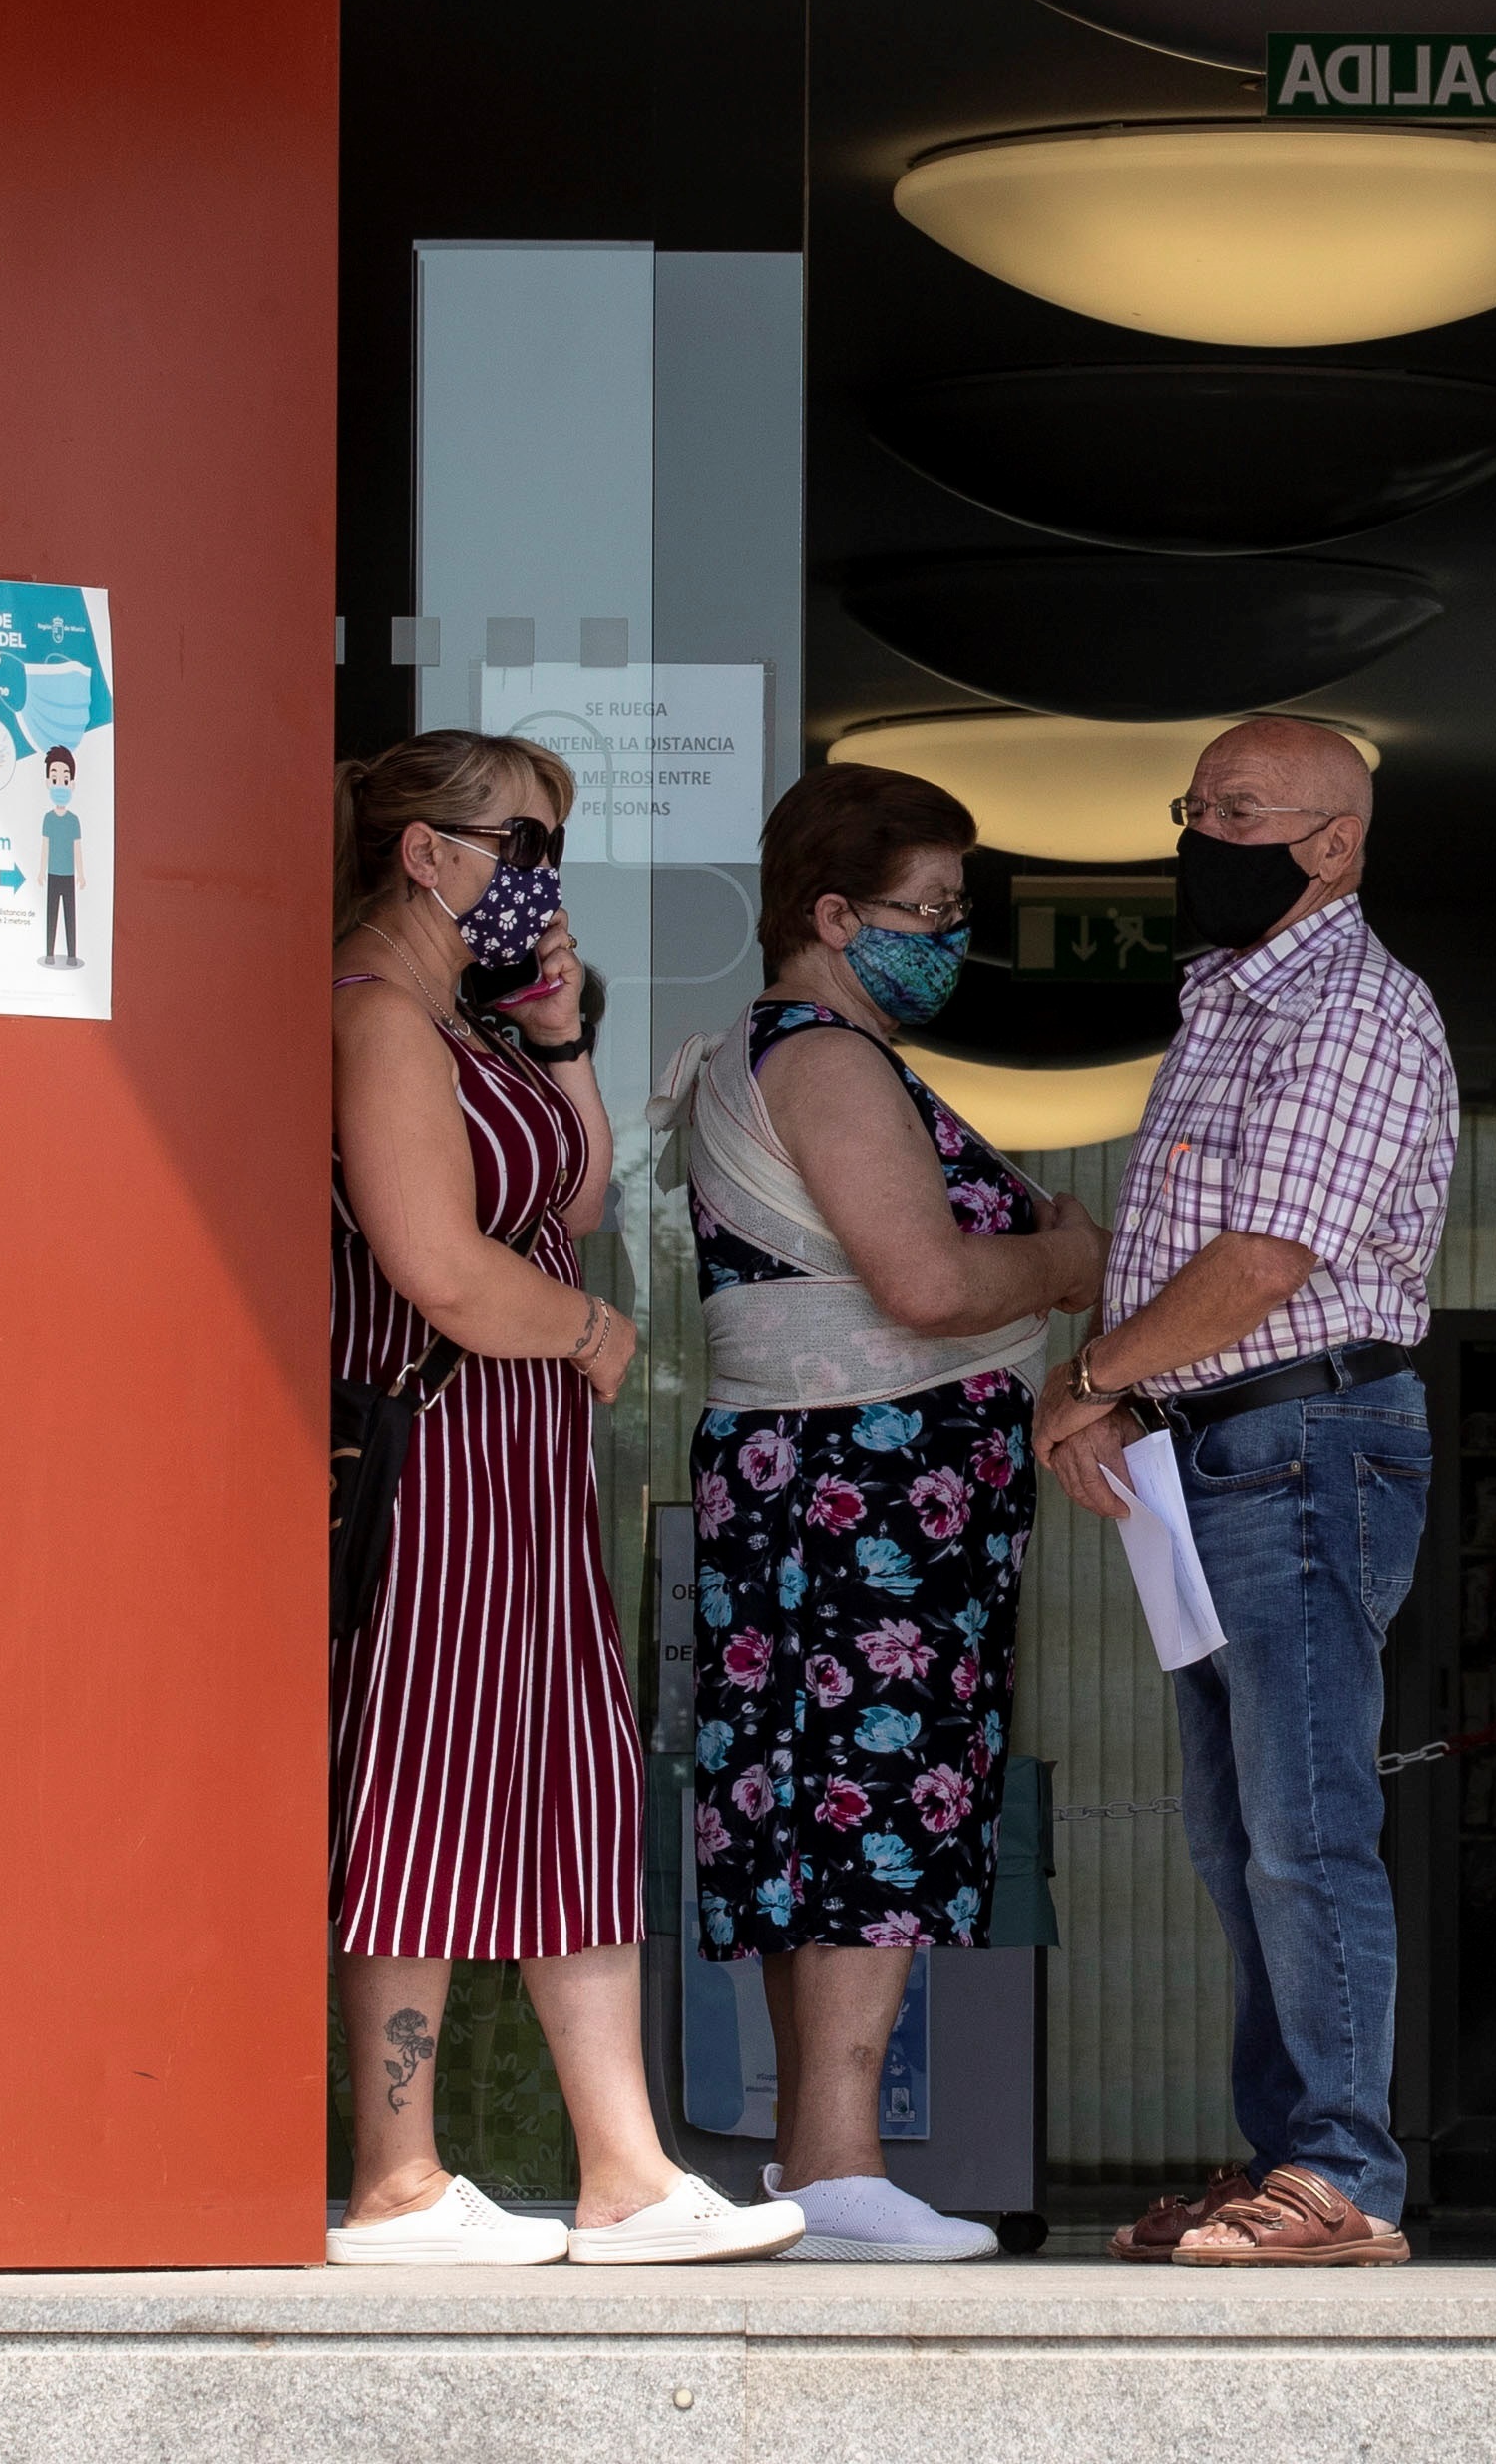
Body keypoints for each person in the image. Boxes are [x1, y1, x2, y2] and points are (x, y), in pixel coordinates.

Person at [323, 729, 802, 2270]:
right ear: (425, 853)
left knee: (567, 1774)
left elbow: (575, 1197)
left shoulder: (457, 1025)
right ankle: (396, 2173)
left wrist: (555, 1028)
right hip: (440, 1441)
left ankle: (626, 2167)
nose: (541, 875)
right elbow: (443, 1269)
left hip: (520, 1451)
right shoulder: (375, 1018)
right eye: (521, 844)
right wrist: (595, 1330)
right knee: (428, 1771)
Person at [1032, 716, 1455, 2267]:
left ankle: (1343, 2174)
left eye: (1242, 811)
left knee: (1304, 1822)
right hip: (1214, 1451)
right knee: (1234, 1834)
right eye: (1194, 805)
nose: (1202, 833)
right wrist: (1120, 1387)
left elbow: (1264, 1264)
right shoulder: (1227, 999)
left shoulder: (1351, 1007)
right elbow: (1172, 1248)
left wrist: (1088, 1385)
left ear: (1334, 844)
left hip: (1299, 1445)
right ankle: (1284, 2158)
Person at [673, 761, 1106, 2261]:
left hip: (852, 1490)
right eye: (925, 912)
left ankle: (818, 2159)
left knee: (817, 1809)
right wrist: (1063, 1264)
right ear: (832, 913)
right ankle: (844, 2156)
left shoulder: (796, 1051)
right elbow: (920, 1284)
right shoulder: (830, 1060)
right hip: (864, 1499)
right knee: (855, 1804)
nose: (948, 938)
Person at [36, 743, 84, 966]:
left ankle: (72, 955)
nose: (60, 784)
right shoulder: (48, 818)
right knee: (51, 914)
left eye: (65, 779)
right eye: (55, 778)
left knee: (69, 915)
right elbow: (45, 845)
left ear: (72, 784)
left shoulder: (74, 820)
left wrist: (81, 874)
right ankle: (50, 953)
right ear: (48, 782)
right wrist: (40, 871)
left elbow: (77, 848)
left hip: (68, 874)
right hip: (53, 873)